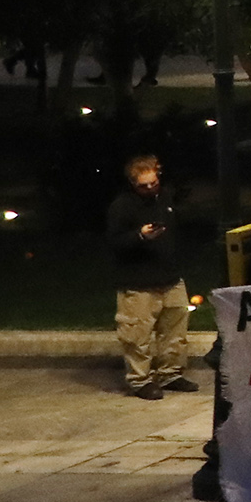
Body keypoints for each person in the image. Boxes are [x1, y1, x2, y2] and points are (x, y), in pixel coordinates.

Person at [105, 153, 188, 400]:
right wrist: (140, 236)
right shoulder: (122, 206)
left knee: (174, 331)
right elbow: (114, 243)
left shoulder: (165, 198)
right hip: (138, 281)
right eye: (144, 186)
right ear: (133, 184)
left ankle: (170, 373)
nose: (151, 188)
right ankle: (140, 380)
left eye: (154, 183)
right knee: (137, 336)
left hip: (170, 276)